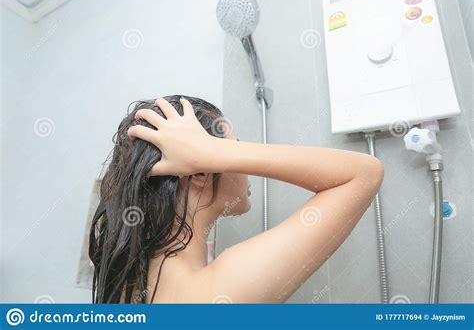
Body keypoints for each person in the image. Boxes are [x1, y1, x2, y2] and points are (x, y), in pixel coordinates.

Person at [89, 95, 384, 304]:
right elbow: (364, 173)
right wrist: (214, 154)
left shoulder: (130, 286)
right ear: (201, 169)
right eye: (234, 147)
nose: (242, 164)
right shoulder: (210, 291)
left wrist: (215, 153)